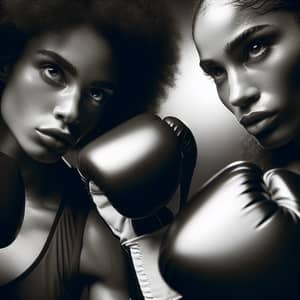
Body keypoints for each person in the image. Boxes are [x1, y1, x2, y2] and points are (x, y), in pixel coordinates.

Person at [0, 0, 179, 299]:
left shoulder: (90, 235)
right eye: (53, 71)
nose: (71, 111)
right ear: (6, 61)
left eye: (96, 93)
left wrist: (153, 252)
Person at [158, 1, 300, 299]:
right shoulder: (263, 194)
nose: (237, 94)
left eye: (256, 48)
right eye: (217, 73)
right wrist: (141, 231)